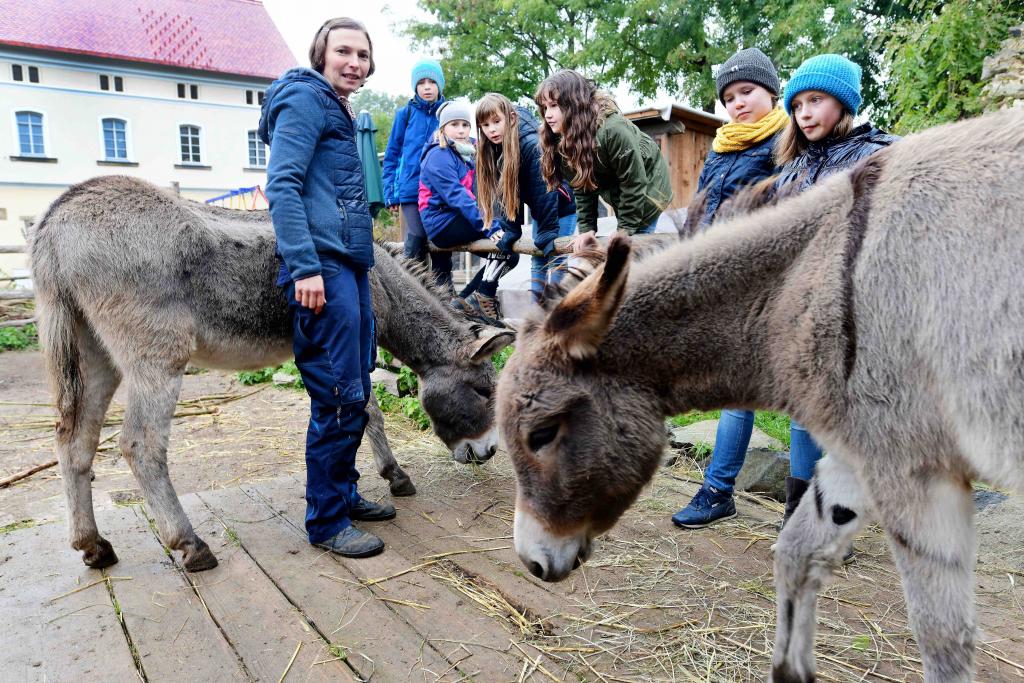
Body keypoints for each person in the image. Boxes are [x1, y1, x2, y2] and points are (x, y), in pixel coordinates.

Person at [259, 17, 395, 559]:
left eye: (362, 54)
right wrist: (305, 267)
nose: (354, 62)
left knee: (356, 383)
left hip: (350, 266)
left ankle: (345, 492)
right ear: (322, 54)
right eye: (344, 51)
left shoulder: (337, 107)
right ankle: (326, 521)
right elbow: (282, 185)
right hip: (324, 267)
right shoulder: (305, 100)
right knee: (338, 393)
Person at [672, 48, 792, 529]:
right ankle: (719, 491)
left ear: (771, 92)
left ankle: (804, 509)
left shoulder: (785, 143)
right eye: (729, 96)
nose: (738, 103)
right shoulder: (722, 147)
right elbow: (702, 209)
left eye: (747, 92)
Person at [533, 69, 672, 251]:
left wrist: (625, 229)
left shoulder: (613, 130)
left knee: (632, 256)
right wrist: (587, 229)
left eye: (554, 105)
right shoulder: (562, 139)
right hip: (621, 189)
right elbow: (582, 185)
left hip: (650, 189)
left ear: (573, 104)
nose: (548, 114)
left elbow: (634, 183)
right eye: (544, 107)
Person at [418, 100, 518, 324]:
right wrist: (489, 226)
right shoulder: (439, 155)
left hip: (456, 217)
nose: (461, 130)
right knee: (506, 246)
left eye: (465, 125)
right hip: (442, 223)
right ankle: (479, 298)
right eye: (455, 124)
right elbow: (457, 197)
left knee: (510, 254)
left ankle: (464, 301)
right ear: (443, 128)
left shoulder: (465, 152)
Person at [475, 93, 577, 301]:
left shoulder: (531, 144)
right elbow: (508, 192)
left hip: (560, 206)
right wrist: (511, 228)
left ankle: (554, 313)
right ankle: (535, 313)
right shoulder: (498, 148)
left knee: (555, 259)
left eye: (496, 121)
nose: (491, 129)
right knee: (537, 259)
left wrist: (548, 230)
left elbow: (544, 189)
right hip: (542, 210)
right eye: (485, 125)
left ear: (511, 118)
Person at [382, 59, 445, 265]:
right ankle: (406, 282)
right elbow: (392, 154)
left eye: (432, 82)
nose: (427, 87)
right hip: (410, 188)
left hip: (440, 190)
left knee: (440, 242)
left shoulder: (447, 113)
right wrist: (390, 193)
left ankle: (443, 292)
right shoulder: (405, 114)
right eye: (421, 83)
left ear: (439, 85)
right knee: (417, 236)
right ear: (415, 87)